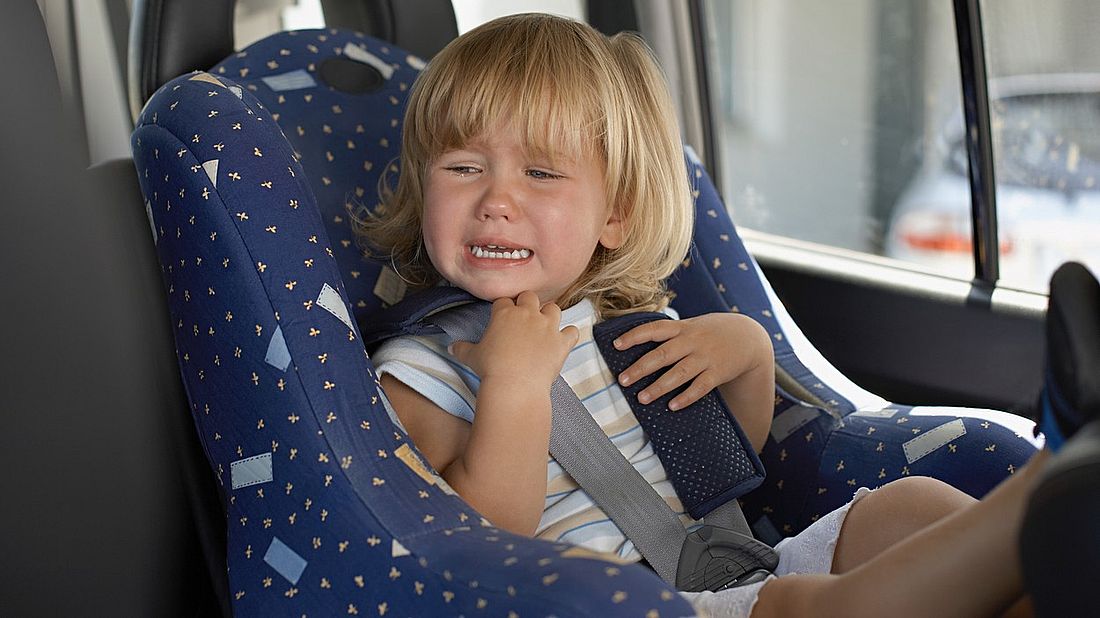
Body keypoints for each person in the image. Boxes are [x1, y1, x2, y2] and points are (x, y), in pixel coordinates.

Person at [356, 12, 1092, 617]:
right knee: (803, 608)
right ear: (426, 193)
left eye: (540, 172)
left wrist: (746, 354)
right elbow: (483, 540)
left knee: (908, 507)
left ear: (614, 214)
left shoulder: (614, 324)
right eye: (462, 168)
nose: (496, 198)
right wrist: (512, 391)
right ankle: (1054, 479)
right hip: (617, 605)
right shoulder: (419, 372)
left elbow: (717, 470)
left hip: (722, 573)